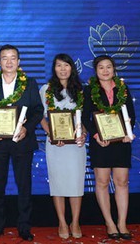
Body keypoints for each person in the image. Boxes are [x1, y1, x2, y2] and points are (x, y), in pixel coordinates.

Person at [0, 44, 44, 242]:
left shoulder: (29, 83)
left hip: (22, 141)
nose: (9, 62)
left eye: (13, 58)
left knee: (24, 185)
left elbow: (37, 111)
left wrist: (27, 128)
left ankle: (24, 227)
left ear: (19, 61)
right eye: (4, 58)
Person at [82, 55, 135, 240]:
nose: (105, 71)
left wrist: (128, 132)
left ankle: (122, 222)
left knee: (122, 182)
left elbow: (131, 115)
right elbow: (84, 118)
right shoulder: (89, 90)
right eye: (101, 68)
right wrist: (96, 136)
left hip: (121, 143)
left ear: (114, 69)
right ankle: (109, 222)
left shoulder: (123, 88)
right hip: (100, 143)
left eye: (109, 67)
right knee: (102, 182)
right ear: (96, 71)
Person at [38, 53, 86, 239]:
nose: (63, 69)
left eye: (66, 65)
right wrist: (50, 132)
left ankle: (75, 221)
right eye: (59, 65)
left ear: (72, 68)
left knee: (75, 183)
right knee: (58, 183)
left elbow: (87, 117)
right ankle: (62, 222)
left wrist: (84, 133)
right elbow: (40, 116)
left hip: (76, 145)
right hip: (55, 144)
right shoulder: (46, 89)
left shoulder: (82, 90)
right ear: (54, 68)